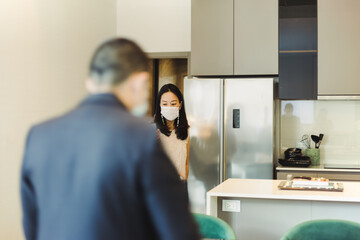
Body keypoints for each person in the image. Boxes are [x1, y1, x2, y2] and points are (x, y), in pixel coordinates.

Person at [20, 38, 200, 240]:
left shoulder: (39, 135)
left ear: (91, 82)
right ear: (139, 82)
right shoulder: (142, 137)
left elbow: (32, 227)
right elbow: (179, 233)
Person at [154, 84, 190, 181]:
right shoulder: (153, 131)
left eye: (173, 104)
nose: (169, 107)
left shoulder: (187, 131)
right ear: (160, 106)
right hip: (159, 187)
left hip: (180, 186)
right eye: (165, 104)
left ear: (180, 105)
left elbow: (186, 163)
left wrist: (184, 179)